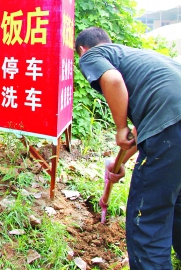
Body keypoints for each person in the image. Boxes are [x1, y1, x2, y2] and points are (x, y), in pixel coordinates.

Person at [76, 26, 181, 269]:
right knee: (177, 202)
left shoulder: (92, 55)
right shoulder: (141, 57)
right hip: (170, 128)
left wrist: (120, 126)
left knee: (147, 219)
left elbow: (112, 80)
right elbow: (149, 127)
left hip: (170, 130)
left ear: (82, 50)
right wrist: (120, 162)